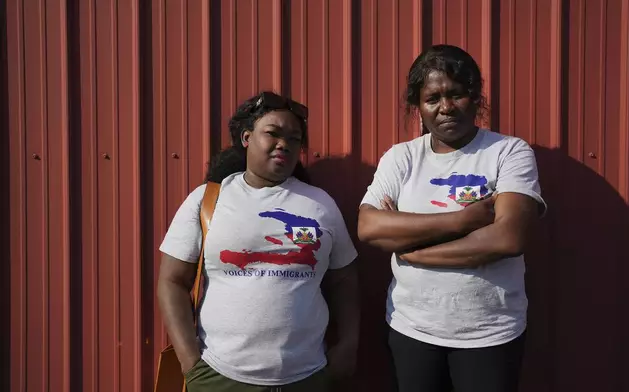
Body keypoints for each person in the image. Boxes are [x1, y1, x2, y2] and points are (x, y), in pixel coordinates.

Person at [357, 44, 546, 392]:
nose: (445, 107)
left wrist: (413, 250)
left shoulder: (508, 152)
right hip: (412, 329)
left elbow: (507, 239)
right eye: (432, 98)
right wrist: (463, 221)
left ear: (475, 98)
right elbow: (369, 227)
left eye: (456, 94)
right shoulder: (402, 158)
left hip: (490, 334)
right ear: (419, 107)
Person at [157, 91, 359, 391]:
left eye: (294, 138)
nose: (284, 144)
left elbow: (344, 278)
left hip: (308, 376)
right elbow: (171, 281)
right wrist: (192, 364)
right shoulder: (208, 200)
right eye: (273, 134)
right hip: (221, 377)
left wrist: (348, 345)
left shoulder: (320, 205)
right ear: (247, 138)